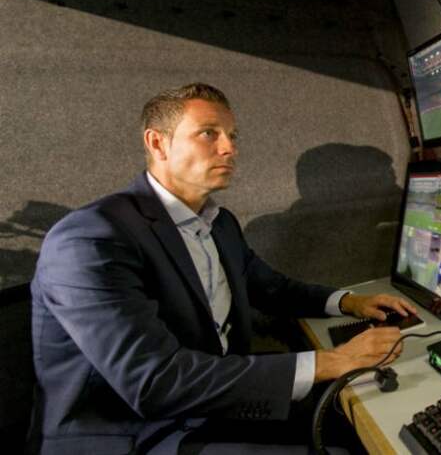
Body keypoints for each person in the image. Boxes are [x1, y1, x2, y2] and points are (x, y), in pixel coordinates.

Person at [30, 83, 418, 454]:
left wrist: (349, 302)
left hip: (208, 403)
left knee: (353, 421)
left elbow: (271, 288)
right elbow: (154, 382)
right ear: (157, 142)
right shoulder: (91, 238)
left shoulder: (218, 223)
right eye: (208, 134)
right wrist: (333, 361)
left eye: (233, 136)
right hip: (137, 434)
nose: (229, 148)